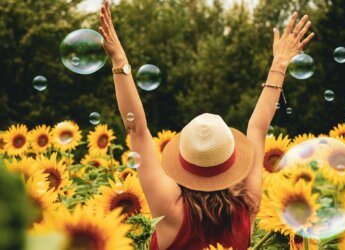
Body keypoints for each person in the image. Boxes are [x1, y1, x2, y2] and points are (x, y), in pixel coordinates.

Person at [99, 1, 314, 249]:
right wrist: (279, 64)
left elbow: (136, 129)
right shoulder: (247, 206)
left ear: (184, 161)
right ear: (232, 160)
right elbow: (258, 128)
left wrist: (120, 60)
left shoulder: (170, 208)